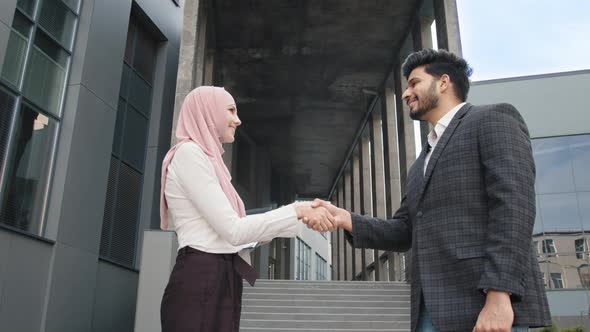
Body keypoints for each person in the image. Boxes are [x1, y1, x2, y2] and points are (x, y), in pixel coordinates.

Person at [311, 49, 551, 332]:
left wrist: (499, 294)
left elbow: (514, 207)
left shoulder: (493, 119)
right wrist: (346, 220)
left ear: (444, 82)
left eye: (414, 83)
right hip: (431, 308)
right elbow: (404, 230)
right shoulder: (420, 165)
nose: (405, 93)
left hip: (485, 302)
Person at [159, 86, 335, 332]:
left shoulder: (209, 161)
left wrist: (302, 216)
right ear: (208, 112)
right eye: (230, 110)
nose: (238, 120)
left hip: (217, 277)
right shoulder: (189, 154)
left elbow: (236, 236)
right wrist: (298, 209)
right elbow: (234, 231)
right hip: (201, 279)